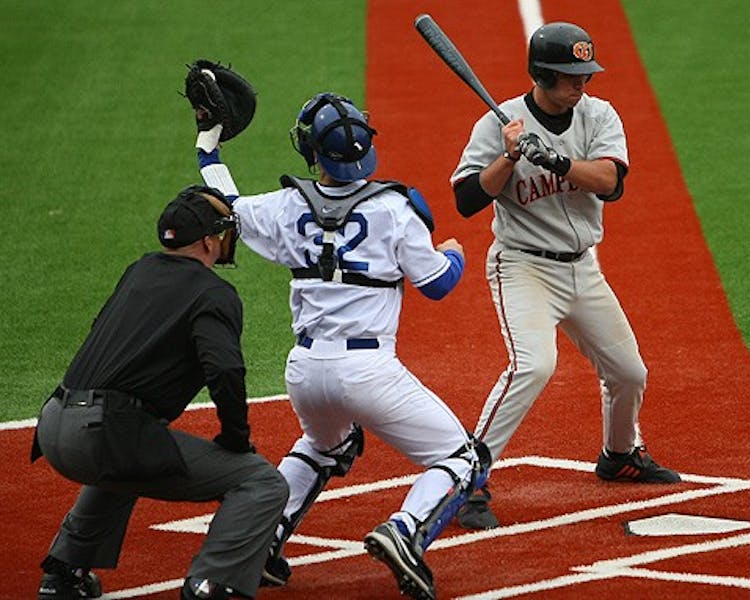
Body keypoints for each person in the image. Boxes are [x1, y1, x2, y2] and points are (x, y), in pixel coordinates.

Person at [192, 91, 489, 600]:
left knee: (327, 445)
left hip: (306, 370)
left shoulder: (287, 206)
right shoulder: (395, 208)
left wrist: (208, 144)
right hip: (369, 370)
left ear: (314, 153)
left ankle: (262, 543)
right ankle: (405, 532)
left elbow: (226, 207)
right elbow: (437, 285)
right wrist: (453, 254)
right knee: (465, 457)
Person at [449, 21, 682, 530]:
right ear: (541, 75)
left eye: (585, 74)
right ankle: (467, 480)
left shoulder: (599, 115)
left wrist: (555, 160)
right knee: (532, 367)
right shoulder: (499, 124)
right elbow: (467, 199)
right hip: (522, 266)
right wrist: (509, 159)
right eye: (570, 76)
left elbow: (611, 182)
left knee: (629, 373)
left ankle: (619, 455)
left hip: (583, 268)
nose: (582, 85)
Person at [30, 186, 290, 600]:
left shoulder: (139, 271)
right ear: (208, 241)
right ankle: (213, 585)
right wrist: (236, 440)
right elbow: (224, 369)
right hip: (103, 433)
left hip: (53, 424)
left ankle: (64, 573)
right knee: (263, 483)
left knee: (129, 456)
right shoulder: (213, 293)